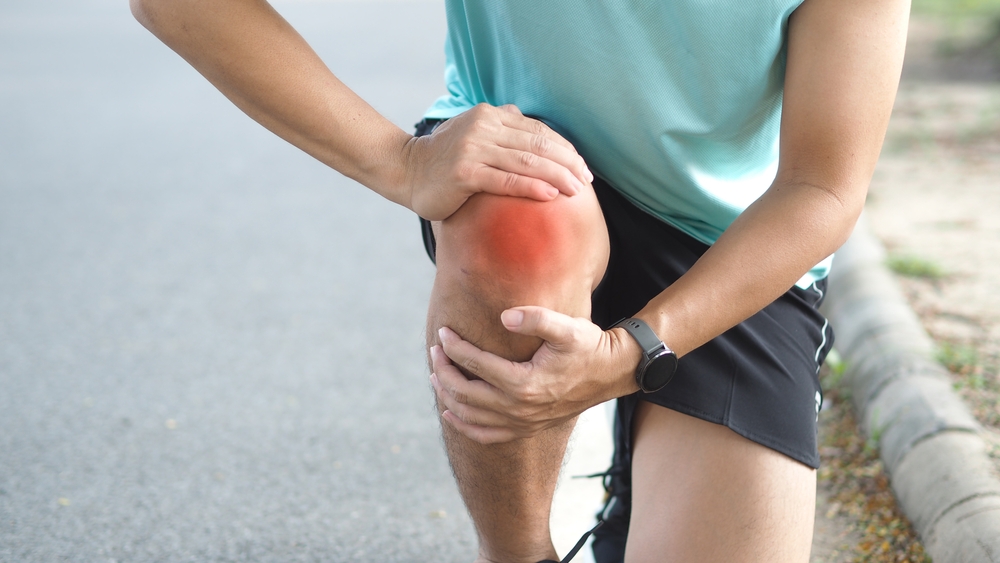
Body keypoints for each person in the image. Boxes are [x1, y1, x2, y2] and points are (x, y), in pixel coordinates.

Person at [130, 0, 910, 561]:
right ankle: (516, 554)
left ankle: (640, 475)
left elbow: (823, 189)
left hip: (727, 246)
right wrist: (401, 162)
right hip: (528, 170)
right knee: (520, 218)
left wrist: (632, 349)